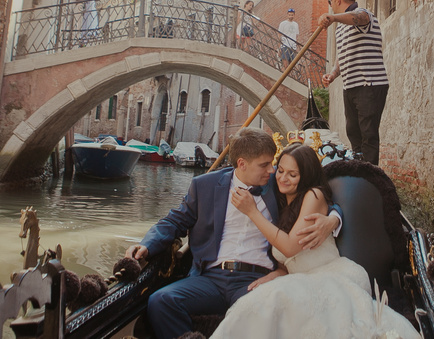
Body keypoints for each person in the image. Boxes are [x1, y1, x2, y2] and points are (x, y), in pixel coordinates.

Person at [124, 128, 341, 339]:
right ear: (242, 164)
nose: (273, 171)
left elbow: (314, 194)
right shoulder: (204, 185)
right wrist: (147, 244)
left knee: (259, 314)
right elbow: (175, 220)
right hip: (211, 277)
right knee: (160, 301)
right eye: (265, 165)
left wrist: (333, 219)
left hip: (256, 278)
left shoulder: (278, 185)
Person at [211, 143, 419, 339]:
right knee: (256, 304)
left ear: (306, 176)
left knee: (274, 301)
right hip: (298, 280)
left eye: (292, 174)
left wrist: (252, 212)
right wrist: (275, 274)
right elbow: (290, 263)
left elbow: (291, 247)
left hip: (331, 277)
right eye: (281, 170)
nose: (283, 178)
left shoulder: (313, 195)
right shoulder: (279, 199)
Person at [318, 0, 389, 165]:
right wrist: (333, 74)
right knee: (353, 132)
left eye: (330, 2)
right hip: (350, 86)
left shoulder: (363, 14)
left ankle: (371, 178)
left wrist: (332, 18)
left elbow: (361, 17)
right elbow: (342, 55)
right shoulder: (341, 26)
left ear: (338, 0)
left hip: (369, 84)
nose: (330, 6)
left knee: (368, 134)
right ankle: (360, 170)